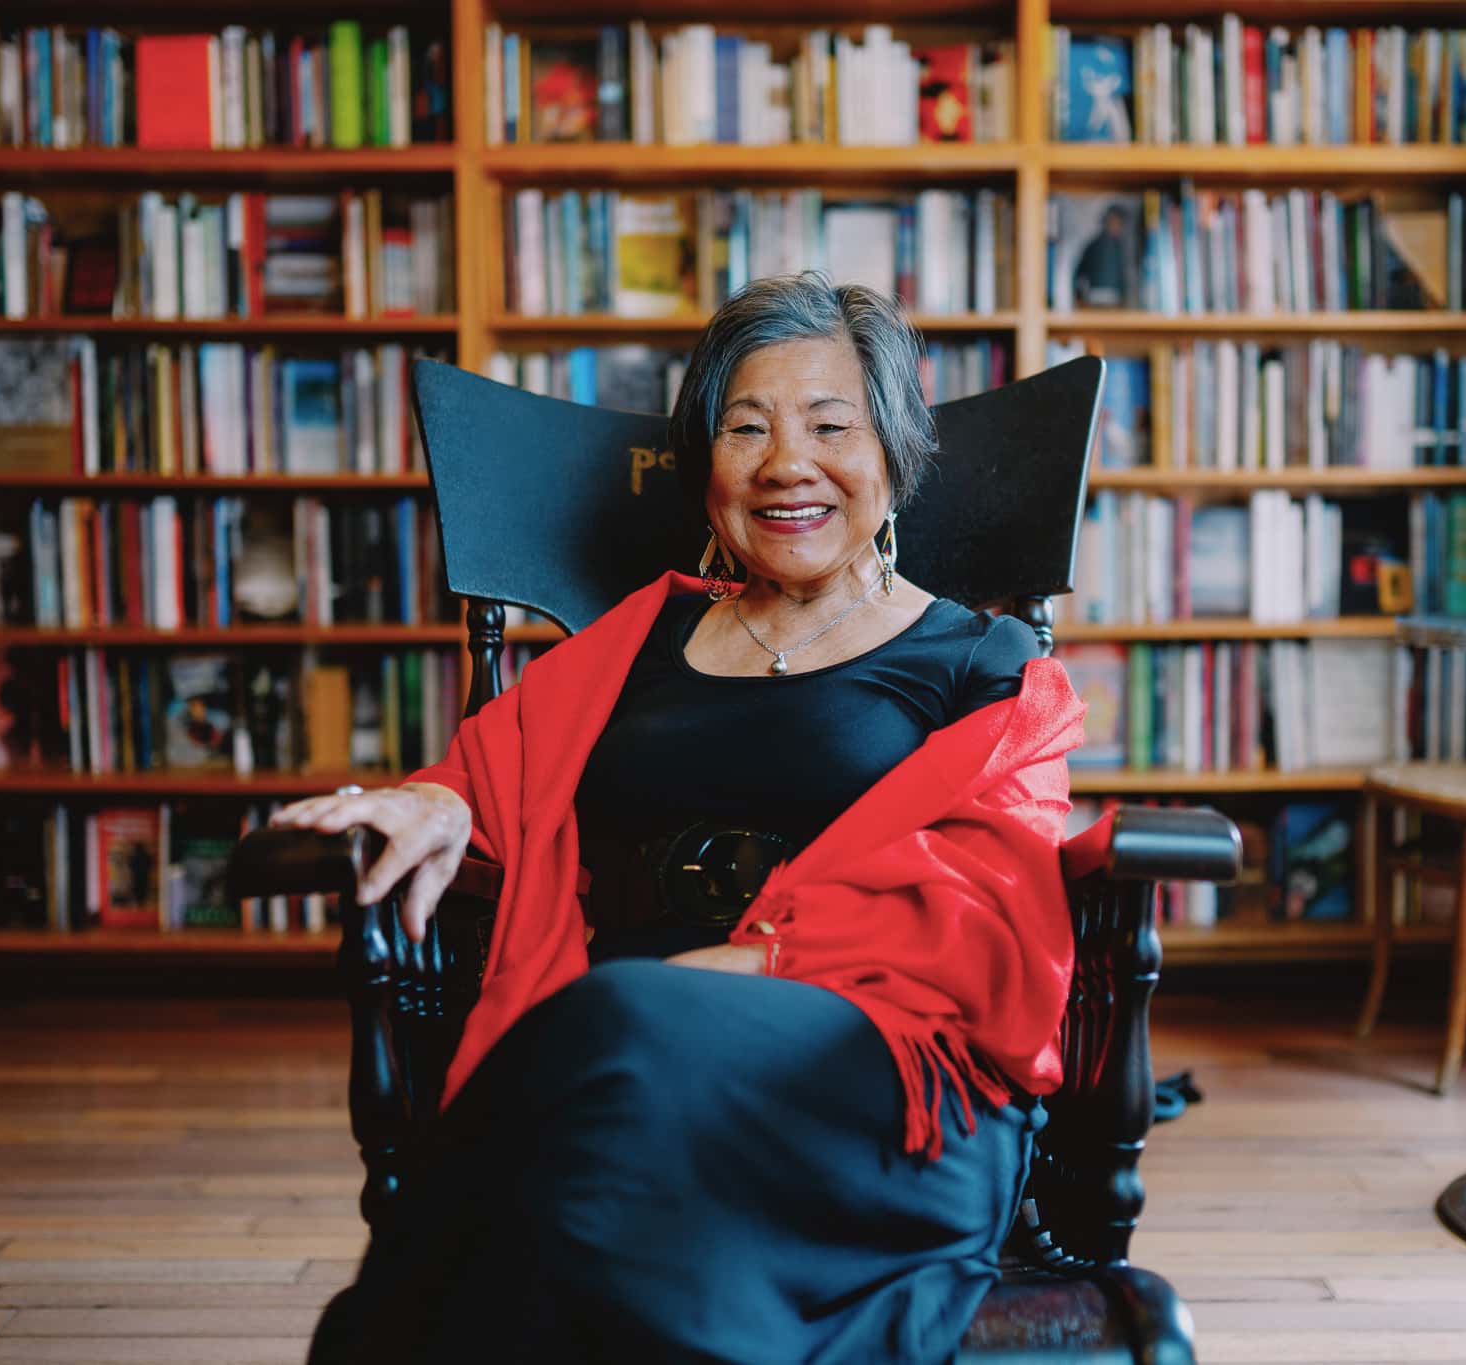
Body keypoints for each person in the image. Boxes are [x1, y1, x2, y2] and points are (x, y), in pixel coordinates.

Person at [272, 273, 1088, 1363]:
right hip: (609, 1068)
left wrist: (736, 971)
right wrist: (432, 802)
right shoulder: (636, 644)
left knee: (590, 1056)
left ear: (893, 453)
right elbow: (494, 771)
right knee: (580, 1110)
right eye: (743, 427)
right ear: (705, 469)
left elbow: (997, 909)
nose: (784, 462)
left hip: (854, 1083)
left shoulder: (981, 666)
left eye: (829, 425)